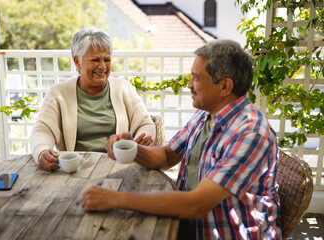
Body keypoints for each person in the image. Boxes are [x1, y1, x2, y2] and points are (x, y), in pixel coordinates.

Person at [80, 40, 282, 239]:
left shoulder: (250, 134)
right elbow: (167, 156)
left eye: (196, 78)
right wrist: (129, 148)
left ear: (224, 87)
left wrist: (114, 199)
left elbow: (195, 205)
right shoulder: (207, 114)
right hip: (189, 224)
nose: (189, 85)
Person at [29, 27, 155, 171]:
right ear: (77, 62)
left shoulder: (124, 88)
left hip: (119, 168)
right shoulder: (58, 93)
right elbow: (42, 130)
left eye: (107, 59)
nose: (102, 66)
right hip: (76, 170)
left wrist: (139, 143)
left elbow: (145, 123)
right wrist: (42, 151)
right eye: (95, 60)